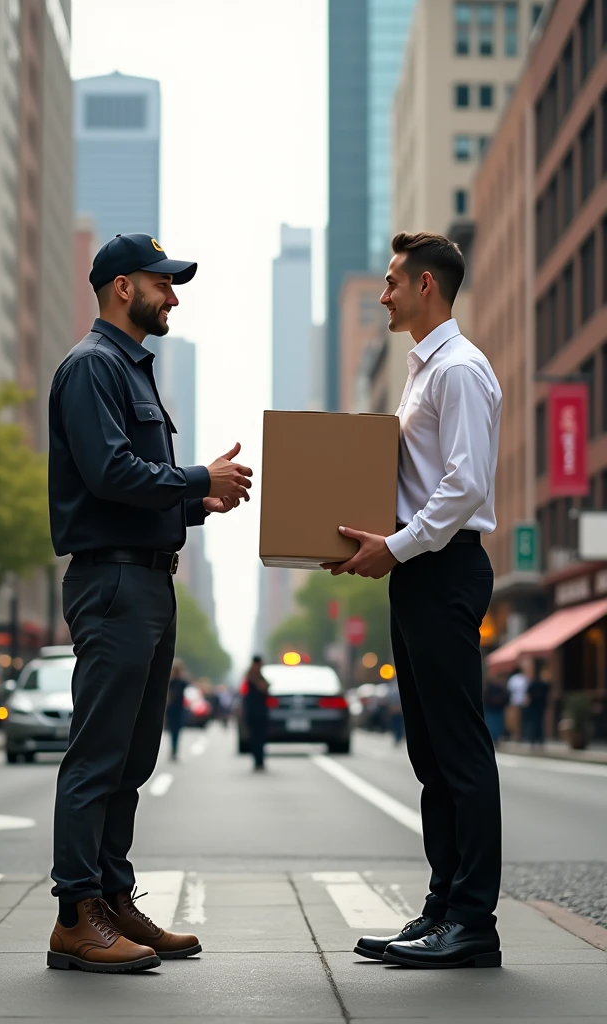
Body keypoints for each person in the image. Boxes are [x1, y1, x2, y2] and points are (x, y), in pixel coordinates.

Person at [46, 232, 253, 973]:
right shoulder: (92, 367)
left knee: (132, 757)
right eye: (162, 283)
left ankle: (111, 897)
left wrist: (200, 501)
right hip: (113, 583)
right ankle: (76, 915)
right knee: (99, 754)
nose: (173, 295)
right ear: (121, 287)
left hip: (146, 579)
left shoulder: (128, 370)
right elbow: (108, 473)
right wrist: (197, 478)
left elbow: (133, 488)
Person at [324, 232, 503, 969]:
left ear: (428, 285)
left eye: (394, 281)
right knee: (429, 752)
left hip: (447, 569)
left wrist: (392, 548)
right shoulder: (422, 370)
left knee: (459, 751)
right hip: (419, 571)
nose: (385, 292)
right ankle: (441, 907)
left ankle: (473, 923)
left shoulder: (460, 371)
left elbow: (463, 487)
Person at [243, 656, 269, 771]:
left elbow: (266, 688)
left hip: (261, 712)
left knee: (261, 737)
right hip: (253, 712)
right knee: (255, 738)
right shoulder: (250, 678)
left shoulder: (260, 677)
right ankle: (257, 761)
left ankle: (260, 760)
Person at [165, 660, 189, 761]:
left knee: (176, 730)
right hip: (174, 709)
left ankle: (174, 749)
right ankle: (173, 749)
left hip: (177, 709)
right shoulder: (171, 681)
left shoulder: (181, 682)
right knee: (173, 730)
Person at [526, 665, 551, 748]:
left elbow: (528, 694)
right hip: (539, 706)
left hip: (535, 706)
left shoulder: (533, 684)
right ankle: (538, 740)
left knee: (534, 723)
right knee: (539, 723)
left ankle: (534, 740)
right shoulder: (543, 685)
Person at [483, 678, 508, 747]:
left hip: (496, 709)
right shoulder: (493, 689)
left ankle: (494, 739)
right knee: (493, 725)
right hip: (492, 709)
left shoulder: (499, 689)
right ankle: (493, 738)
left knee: (496, 725)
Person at [506, 664, 528, 741]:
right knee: (522, 719)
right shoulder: (524, 678)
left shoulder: (513, 679)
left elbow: (509, 689)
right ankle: (521, 734)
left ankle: (515, 735)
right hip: (523, 702)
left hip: (514, 701)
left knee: (514, 719)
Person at [387, 678, 403, 745]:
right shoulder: (392, 690)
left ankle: (398, 737)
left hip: (399, 710)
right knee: (395, 724)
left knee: (398, 724)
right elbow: (390, 699)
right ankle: (396, 737)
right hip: (394, 710)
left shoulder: (395, 690)